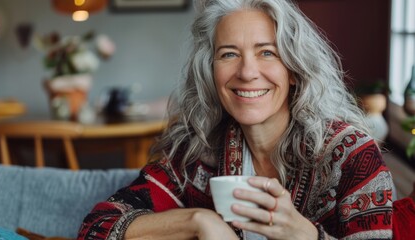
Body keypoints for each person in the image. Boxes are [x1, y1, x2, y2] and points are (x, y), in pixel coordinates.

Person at [77, 0, 394, 239]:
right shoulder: (198, 153)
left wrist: (307, 236)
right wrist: (200, 221)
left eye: (266, 52)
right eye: (229, 53)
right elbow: (98, 225)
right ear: (210, 71)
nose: (246, 72)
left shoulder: (353, 156)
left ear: (294, 70)